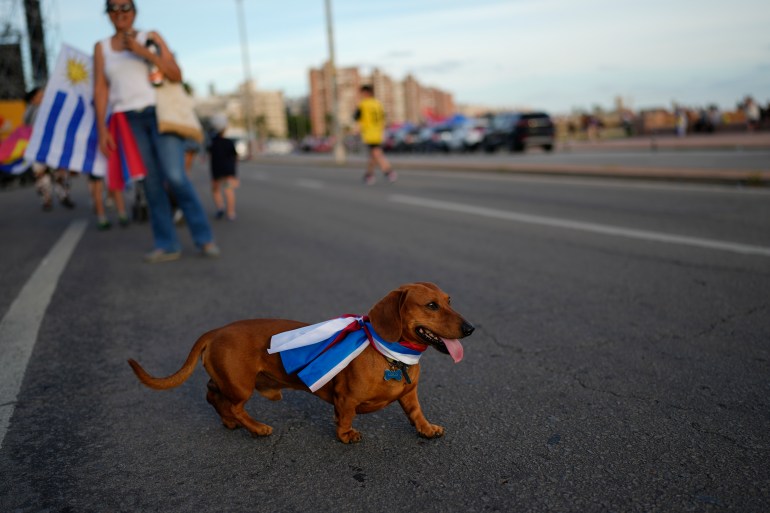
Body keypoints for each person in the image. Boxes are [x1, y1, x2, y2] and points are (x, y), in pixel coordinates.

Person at [94, 0, 219, 263]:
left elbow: (176, 74)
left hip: (160, 115)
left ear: (134, 12)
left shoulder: (150, 37)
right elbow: (101, 90)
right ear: (107, 15)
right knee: (150, 183)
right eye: (113, 8)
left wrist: (144, 52)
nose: (120, 13)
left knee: (175, 176)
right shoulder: (102, 47)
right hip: (128, 120)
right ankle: (167, 243)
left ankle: (204, 238)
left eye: (125, 7)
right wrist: (101, 129)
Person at [23, 87, 76, 212]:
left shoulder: (49, 108)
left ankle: (64, 196)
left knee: (60, 173)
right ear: (33, 99)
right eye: (40, 96)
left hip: (53, 146)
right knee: (41, 175)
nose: (43, 97)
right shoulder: (30, 111)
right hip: (37, 147)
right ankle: (46, 199)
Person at [354, 85, 396, 185]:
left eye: (362, 93)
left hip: (369, 133)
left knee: (376, 154)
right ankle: (369, 175)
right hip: (378, 132)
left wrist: (357, 131)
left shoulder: (363, 104)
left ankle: (388, 172)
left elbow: (357, 118)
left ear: (366, 93)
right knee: (373, 155)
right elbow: (383, 118)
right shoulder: (378, 104)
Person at [207, 114, 238, 221]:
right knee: (228, 191)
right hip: (228, 171)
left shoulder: (212, 142)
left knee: (216, 190)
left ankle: (220, 207)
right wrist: (234, 173)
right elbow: (235, 158)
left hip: (217, 171)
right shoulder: (229, 142)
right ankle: (231, 212)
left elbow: (210, 156)